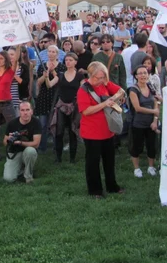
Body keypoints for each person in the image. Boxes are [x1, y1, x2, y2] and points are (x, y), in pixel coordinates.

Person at [77, 62, 127, 198]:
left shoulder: (104, 83)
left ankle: (112, 186)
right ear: (91, 75)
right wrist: (105, 104)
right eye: (98, 78)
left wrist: (118, 99)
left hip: (107, 131)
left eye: (103, 77)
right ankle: (95, 190)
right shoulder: (84, 90)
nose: (101, 81)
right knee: (92, 163)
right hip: (92, 133)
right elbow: (86, 111)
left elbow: (120, 91)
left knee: (109, 161)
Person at [127, 64, 160, 178]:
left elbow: (156, 102)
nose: (143, 75)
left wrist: (155, 120)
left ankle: (151, 167)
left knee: (152, 146)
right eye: (140, 73)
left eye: (145, 73)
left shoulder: (151, 87)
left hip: (151, 123)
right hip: (138, 123)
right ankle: (137, 168)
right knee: (136, 146)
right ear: (136, 76)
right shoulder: (133, 90)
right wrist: (153, 112)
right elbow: (138, 108)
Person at [51, 52, 83, 163]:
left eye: (70, 60)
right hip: (61, 105)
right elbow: (50, 84)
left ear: (75, 62)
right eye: (66, 60)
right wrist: (46, 76)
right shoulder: (60, 74)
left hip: (74, 106)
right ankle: (58, 157)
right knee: (59, 132)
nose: (68, 62)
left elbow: (84, 89)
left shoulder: (79, 76)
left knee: (72, 131)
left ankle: (72, 158)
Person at [35, 44, 65, 153]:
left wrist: (52, 71)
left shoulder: (61, 66)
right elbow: (38, 82)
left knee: (55, 124)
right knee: (42, 124)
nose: (51, 54)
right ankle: (42, 146)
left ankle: (56, 147)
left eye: (53, 52)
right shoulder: (42, 65)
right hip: (43, 97)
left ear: (57, 54)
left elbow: (58, 80)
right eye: (49, 51)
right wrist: (44, 75)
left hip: (55, 97)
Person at [3, 101, 41, 183]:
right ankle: (21, 170)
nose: (25, 113)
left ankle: (28, 176)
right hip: (14, 152)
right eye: (22, 110)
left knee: (31, 151)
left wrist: (20, 142)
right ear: (19, 111)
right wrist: (9, 140)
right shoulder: (12, 123)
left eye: (27, 110)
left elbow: (36, 144)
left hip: (27, 151)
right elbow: (5, 142)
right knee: (8, 179)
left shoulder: (36, 122)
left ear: (31, 111)